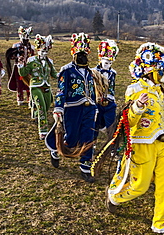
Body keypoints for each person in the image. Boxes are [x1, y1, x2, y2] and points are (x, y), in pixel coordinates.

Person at [104, 43, 164, 235]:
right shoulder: (135, 89)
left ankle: (161, 223)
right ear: (150, 69)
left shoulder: (160, 90)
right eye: (162, 70)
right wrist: (137, 107)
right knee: (140, 186)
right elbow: (127, 122)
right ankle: (114, 197)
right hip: (142, 144)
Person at [45, 33, 97, 183]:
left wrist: (95, 106)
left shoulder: (90, 71)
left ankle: (85, 168)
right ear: (73, 52)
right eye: (79, 52)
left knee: (88, 136)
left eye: (84, 52)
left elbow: (93, 90)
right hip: (72, 108)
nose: (82, 55)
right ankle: (56, 150)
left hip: (89, 108)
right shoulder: (66, 70)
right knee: (72, 138)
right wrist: (58, 108)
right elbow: (61, 90)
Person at [18, 34, 57, 140]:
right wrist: (21, 65)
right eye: (42, 51)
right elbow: (24, 72)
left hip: (46, 86)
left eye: (46, 51)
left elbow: (54, 75)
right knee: (42, 109)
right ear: (38, 49)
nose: (44, 53)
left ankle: (34, 108)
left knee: (48, 105)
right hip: (35, 86)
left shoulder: (50, 62)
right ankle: (43, 131)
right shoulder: (32, 60)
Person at [93, 39, 119, 139]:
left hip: (109, 102)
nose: (108, 65)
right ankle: (92, 145)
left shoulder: (113, 73)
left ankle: (112, 146)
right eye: (106, 62)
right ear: (101, 60)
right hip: (97, 102)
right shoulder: (93, 72)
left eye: (110, 63)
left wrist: (111, 97)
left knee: (112, 126)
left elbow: (112, 87)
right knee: (94, 124)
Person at [6, 26, 34, 106]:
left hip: (28, 67)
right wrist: (16, 54)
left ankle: (30, 98)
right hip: (18, 67)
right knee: (19, 84)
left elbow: (33, 56)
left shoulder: (31, 47)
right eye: (24, 38)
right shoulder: (16, 46)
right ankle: (20, 98)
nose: (25, 40)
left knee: (29, 82)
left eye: (27, 38)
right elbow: (11, 57)